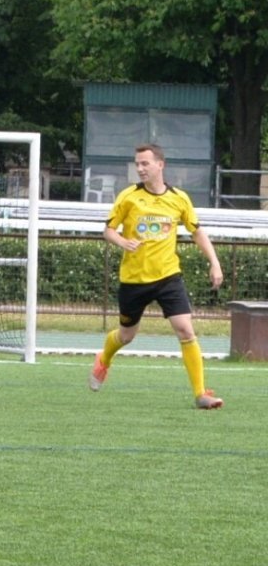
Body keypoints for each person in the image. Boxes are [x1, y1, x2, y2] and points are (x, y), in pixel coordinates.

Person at [89, 143, 224, 409]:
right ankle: (104, 358)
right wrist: (122, 241)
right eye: (137, 164)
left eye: (145, 164)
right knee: (127, 335)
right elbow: (108, 230)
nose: (140, 168)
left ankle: (201, 394)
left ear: (160, 165)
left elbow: (197, 231)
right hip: (134, 280)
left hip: (168, 277)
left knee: (185, 330)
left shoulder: (179, 198)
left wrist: (215, 262)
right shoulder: (128, 197)